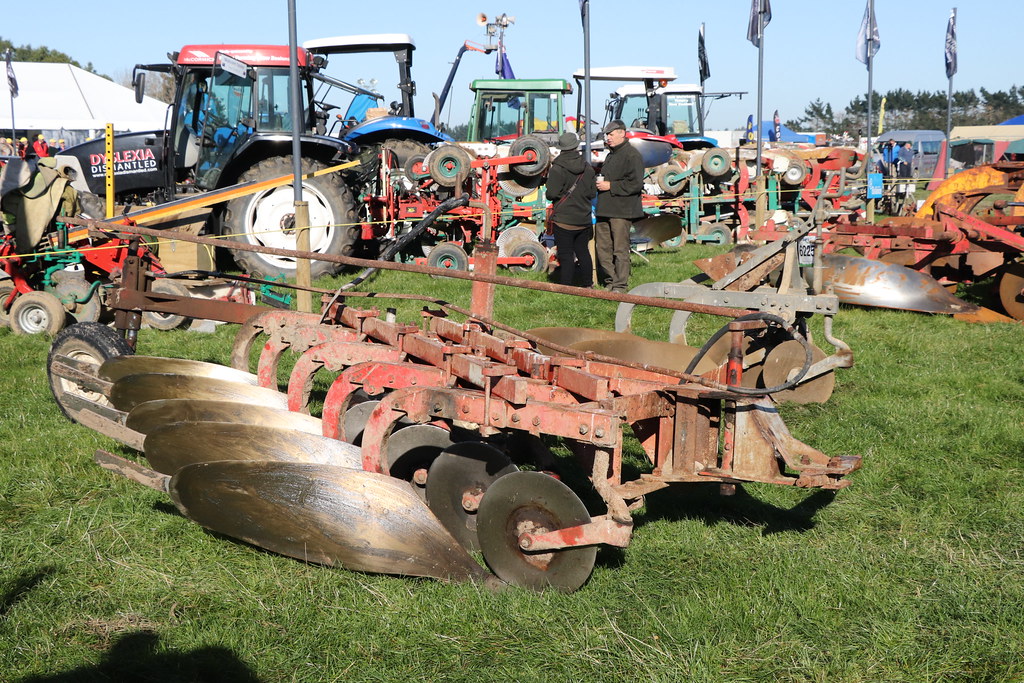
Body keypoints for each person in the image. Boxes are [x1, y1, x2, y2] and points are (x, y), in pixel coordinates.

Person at [594, 119, 644, 293]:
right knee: (602, 248)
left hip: (622, 210)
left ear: (622, 133)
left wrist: (611, 186)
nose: (608, 138)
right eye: (607, 135)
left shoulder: (632, 155)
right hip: (604, 209)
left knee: (620, 249)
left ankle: (620, 285)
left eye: (611, 134)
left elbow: (636, 184)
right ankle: (610, 280)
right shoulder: (611, 155)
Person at [545, 131, 597, 288]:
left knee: (566, 254)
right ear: (575, 147)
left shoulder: (557, 169)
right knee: (583, 252)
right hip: (583, 218)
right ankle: (588, 284)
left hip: (564, 220)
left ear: (561, 148)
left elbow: (551, 194)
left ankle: (566, 287)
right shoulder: (587, 168)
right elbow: (592, 193)